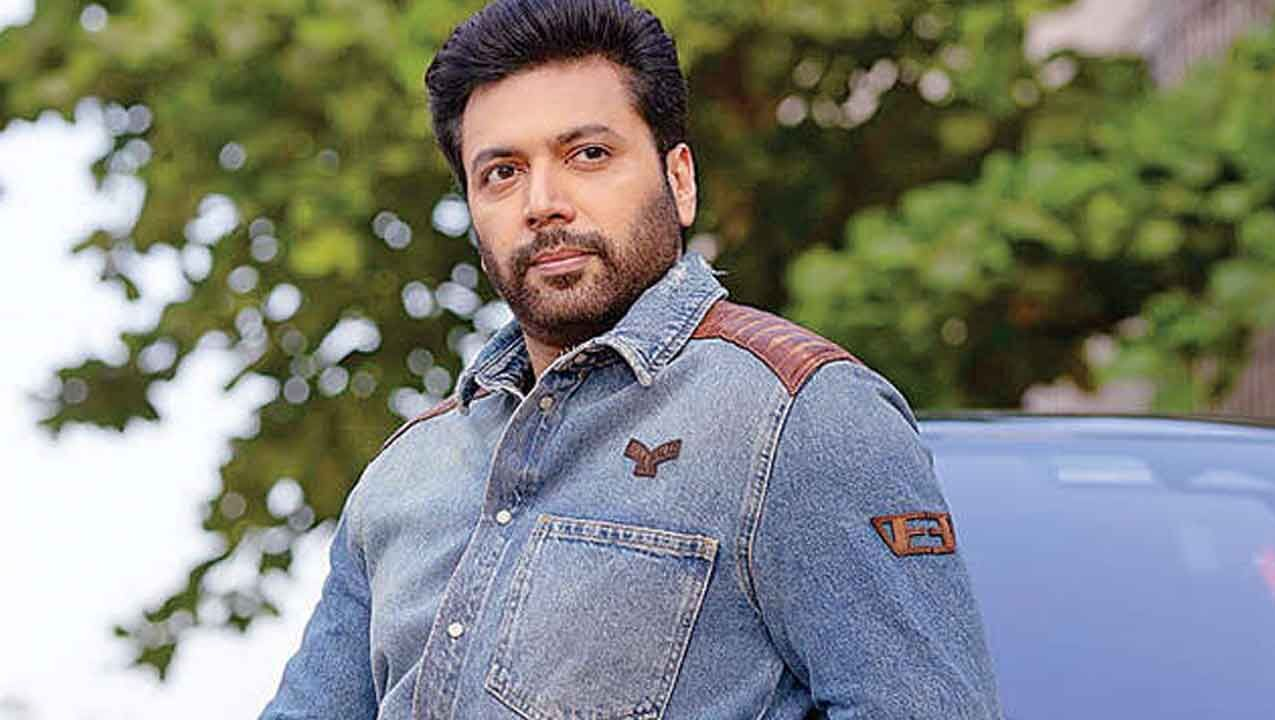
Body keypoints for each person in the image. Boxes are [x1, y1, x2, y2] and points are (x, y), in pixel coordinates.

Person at [262, 0, 1002, 717]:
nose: (542, 202)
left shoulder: (801, 417)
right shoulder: (406, 472)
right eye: (502, 172)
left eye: (588, 154)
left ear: (679, 181)